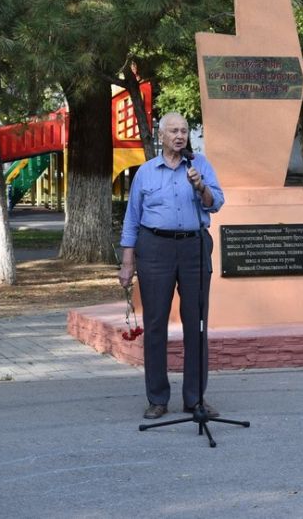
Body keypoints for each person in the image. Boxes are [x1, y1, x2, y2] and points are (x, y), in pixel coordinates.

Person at [117, 112, 224, 420]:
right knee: (154, 324)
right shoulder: (146, 173)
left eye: (184, 131)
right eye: (174, 131)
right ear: (161, 136)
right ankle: (157, 398)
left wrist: (201, 186)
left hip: (194, 246)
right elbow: (132, 219)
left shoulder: (199, 165)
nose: (180, 136)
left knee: (197, 324)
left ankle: (194, 399)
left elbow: (216, 202)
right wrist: (128, 262)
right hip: (155, 248)